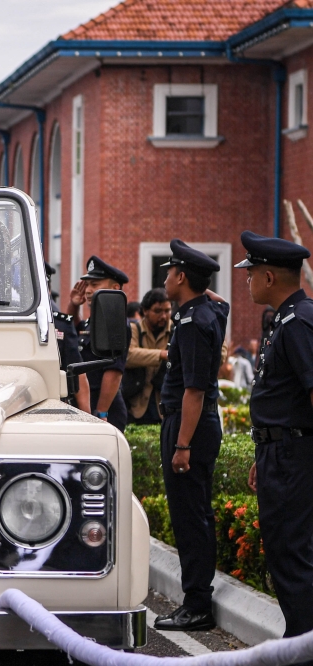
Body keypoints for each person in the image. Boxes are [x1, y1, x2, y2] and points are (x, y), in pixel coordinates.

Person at [238, 230, 313, 650]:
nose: (247, 281)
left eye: (251, 273)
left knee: (293, 556)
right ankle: (298, 639)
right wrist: (264, 449)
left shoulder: (299, 321)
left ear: (268, 277)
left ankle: (303, 647)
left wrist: (287, 447)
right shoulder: (287, 318)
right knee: (285, 552)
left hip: (293, 455)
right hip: (279, 451)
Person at [153, 239, 227, 632]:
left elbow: (194, 390)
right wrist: (200, 291)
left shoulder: (195, 322)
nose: (165, 278)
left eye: (170, 272)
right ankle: (196, 598)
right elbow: (221, 303)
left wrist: (181, 444)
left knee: (190, 517)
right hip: (190, 423)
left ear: (182, 277)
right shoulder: (206, 311)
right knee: (195, 513)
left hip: (189, 426)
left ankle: (197, 604)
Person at [65, 255, 131, 431]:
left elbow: (114, 372)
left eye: (94, 285)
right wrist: (73, 305)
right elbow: (71, 331)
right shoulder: (94, 320)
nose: (87, 290)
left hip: (103, 405)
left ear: (114, 288)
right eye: (87, 284)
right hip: (86, 401)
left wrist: (101, 413)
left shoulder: (114, 322)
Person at [46, 263, 90, 412]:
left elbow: (77, 372)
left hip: (54, 407)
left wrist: (87, 418)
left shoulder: (61, 325)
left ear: (48, 290)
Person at [126, 288, 173, 426]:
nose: (164, 316)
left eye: (167, 311)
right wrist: (162, 354)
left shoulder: (176, 330)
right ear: (145, 311)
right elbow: (129, 355)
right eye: (158, 311)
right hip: (135, 405)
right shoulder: (134, 329)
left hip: (165, 406)